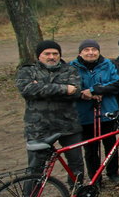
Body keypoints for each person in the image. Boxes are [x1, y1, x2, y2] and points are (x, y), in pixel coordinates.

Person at [17, 40, 84, 179]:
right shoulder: (28, 70)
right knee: (36, 167)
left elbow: (76, 92)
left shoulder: (70, 70)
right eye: (47, 53)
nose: (51, 57)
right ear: (39, 56)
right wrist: (64, 89)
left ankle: (77, 193)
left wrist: (41, 88)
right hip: (39, 127)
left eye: (55, 53)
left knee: (76, 163)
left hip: (68, 125)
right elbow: (27, 90)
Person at [70, 39, 119, 182]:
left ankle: (113, 172)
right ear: (80, 53)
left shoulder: (108, 64)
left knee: (111, 144)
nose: (90, 53)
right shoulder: (72, 67)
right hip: (85, 114)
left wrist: (96, 90)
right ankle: (95, 176)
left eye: (94, 50)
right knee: (90, 148)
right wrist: (85, 93)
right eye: (86, 50)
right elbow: (71, 87)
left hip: (107, 111)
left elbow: (117, 83)